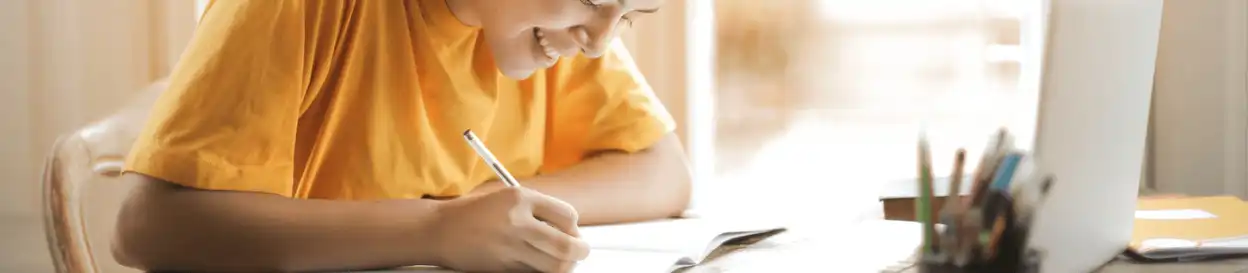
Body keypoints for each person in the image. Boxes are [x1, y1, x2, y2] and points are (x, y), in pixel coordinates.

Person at [111, 0, 691, 272]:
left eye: (634, 13)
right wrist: (436, 230)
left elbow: (663, 171)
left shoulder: (551, 30)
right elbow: (147, 227)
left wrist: (494, 213)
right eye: (591, 1)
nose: (599, 41)